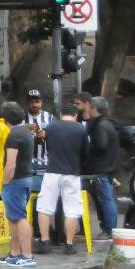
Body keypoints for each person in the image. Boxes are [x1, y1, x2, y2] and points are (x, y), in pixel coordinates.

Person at [36, 103, 88, 255]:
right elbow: (85, 153)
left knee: (44, 207)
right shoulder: (81, 129)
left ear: (60, 115)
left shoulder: (51, 127)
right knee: (71, 210)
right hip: (72, 173)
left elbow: (46, 146)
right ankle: (69, 244)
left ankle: (45, 241)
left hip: (52, 172)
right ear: (75, 115)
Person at [0, 103, 36, 267]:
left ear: (5, 118)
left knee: (19, 218)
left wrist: (5, 182)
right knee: (14, 218)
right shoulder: (26, 132)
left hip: (16, 181)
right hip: (25, 178)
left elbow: (10, 164)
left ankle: (27, 256)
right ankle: (14, 253)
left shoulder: (13, 136)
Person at [84, 96, 121, 238]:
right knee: (106, 198)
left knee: (106, 199)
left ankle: (110, 230)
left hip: (102, 168)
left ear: (94, 108)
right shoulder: (108, 123)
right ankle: (108, 228)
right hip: (107, 167)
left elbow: (101, 145)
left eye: (89, 107)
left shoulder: (100, 126)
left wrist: (89, 147)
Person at [22, 89, 53, 175]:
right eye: (31, 102)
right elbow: (10, 134)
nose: (34, 104)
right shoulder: (20, 117)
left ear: (41, 102)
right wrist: (23, 129)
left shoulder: (50, 117)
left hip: (46, 164)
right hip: (25, 164)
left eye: (37, 101)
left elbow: (58, 136)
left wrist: (47, 135)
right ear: (26, 103)